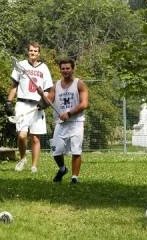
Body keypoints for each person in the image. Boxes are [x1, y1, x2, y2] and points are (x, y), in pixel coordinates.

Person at [6, 43, 53, 173]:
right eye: (31, 50)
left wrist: (44, 101)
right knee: (22, 135)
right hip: (22, 104)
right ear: (28, 52)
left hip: (37, 106)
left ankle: (34, 166)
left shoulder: (44, 68)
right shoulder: (20, 65)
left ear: (39, 53)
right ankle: (22, 159)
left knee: (35, 138)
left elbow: (48, 89)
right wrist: (9, 101)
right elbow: (14, 85)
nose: (33, 53)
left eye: (35, 51)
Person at [48, 58, 88, 184]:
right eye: (63, 68)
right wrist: (41, 95)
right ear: (60, 70)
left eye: (68, 68)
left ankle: (74, 177)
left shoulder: (79, 84)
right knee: (56, 151)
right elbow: (48, 100)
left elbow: (84, 104)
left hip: (76, 122)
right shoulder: (56, 85)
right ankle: (62, 169)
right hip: (61, 124)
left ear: (72, 69)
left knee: (76, 150)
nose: (65, 71)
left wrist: (69, 113)